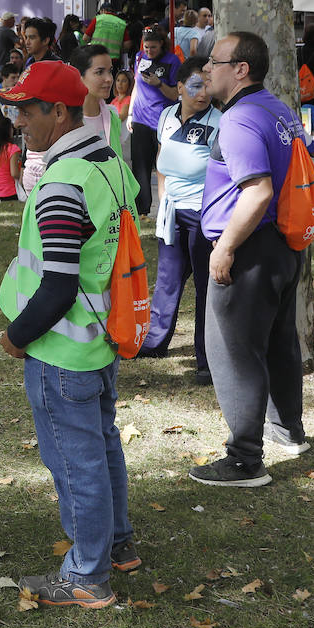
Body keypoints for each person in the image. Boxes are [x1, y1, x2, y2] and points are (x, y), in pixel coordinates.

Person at [0, 60, 141, 607]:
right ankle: (118, 544)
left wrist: (17, 334)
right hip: (101, 336)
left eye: (27, 110)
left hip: (61, 346)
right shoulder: (106, 160)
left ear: (59, 111)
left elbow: (56, 283)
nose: (19, 120)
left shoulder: (61, 180)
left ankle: (86, 573)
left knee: (76, 463)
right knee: (102, 449)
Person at [189, 32, 314, 487]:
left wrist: (224, 247)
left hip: (250, 248)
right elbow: (309, 154)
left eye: (215, 62)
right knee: (279, 343)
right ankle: (289, 432)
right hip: (284, 246)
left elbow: (258, 191)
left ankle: (245, 460)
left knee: (232, 352)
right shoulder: (276, 107)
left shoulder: (240, 119)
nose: (207, 69)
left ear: (241, 69)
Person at [138, 56, 220, 384]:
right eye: (197, 86)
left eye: (209, 86)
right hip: (171, 211)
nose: (204, 93)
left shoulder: (220, 122)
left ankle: (207, 359)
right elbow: (161, 161)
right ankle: (155, 342)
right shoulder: (166, 115)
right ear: (181, 87)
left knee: (206, 287)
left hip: (204, 214)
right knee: (168, 280)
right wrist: (162, 203)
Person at [127, 27, 181, 215]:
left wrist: (159, 84)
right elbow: (136, 85)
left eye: (153, 48)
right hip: (140, 118)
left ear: (162, 45)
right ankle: (142, 210)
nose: (149, 51)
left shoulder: (172, 61)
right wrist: (130, 114)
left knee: (163, 166)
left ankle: (167, 206)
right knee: (140, 165)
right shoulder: (139, 57)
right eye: (146, 47)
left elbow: (175, 95)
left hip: (162, 120)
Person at [70, 44, 124, 157]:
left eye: (110, 71)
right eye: (99, 72)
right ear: (78, 76)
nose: (109, 79)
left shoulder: (112, 116)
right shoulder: (66, 123)